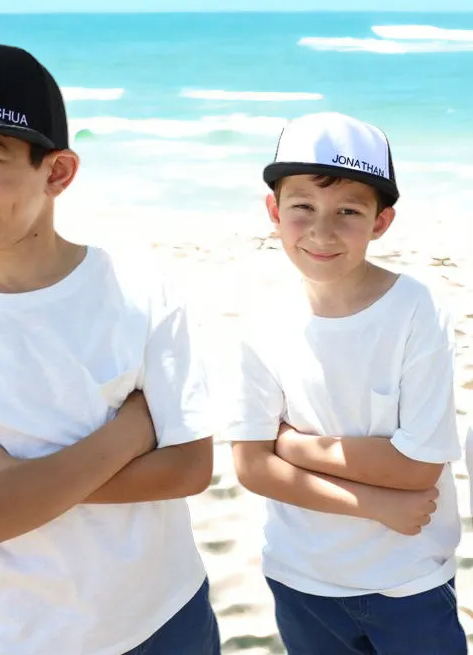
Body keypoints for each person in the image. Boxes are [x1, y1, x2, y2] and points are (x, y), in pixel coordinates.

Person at [0, 40, 219, 655]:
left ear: (57, 172)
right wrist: (130, 434)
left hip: (168, 617)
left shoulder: (141, 293)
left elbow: (189, 469)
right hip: (29, 635)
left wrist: (12, 484)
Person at [224, 112, 465, 654]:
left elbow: (418, 467)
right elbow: (250, 466)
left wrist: (291, 444)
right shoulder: (263, 318)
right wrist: (372, 505)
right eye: (302, 207)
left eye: (349, 212)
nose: (322, 231)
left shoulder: (415, 310)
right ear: (274, 210)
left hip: (409, 579)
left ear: (381, 222)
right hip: (298, 578)